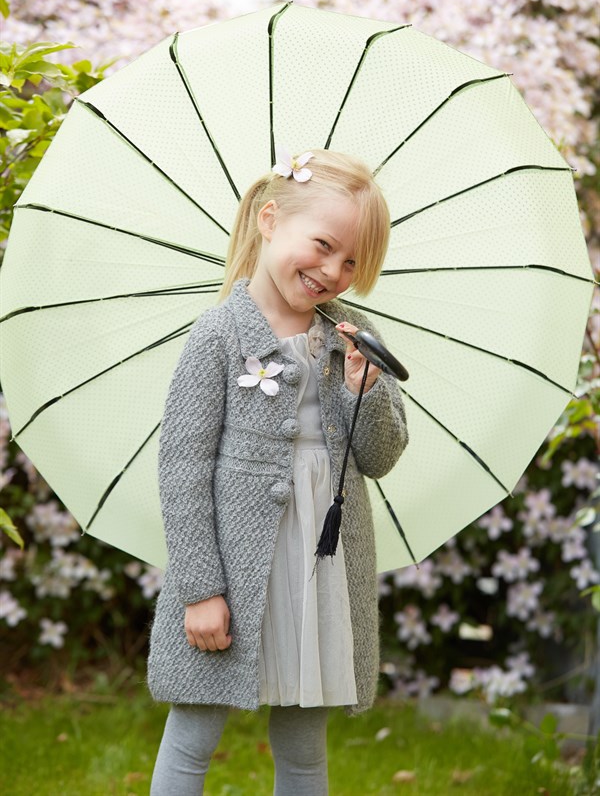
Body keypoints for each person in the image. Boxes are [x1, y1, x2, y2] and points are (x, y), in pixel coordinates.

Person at [148, 147, 409, 795]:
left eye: (352, 262)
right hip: (235, 574)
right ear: (270, 220)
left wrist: (362, 391)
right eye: (323, 245)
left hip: (318, 570)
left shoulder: (352, 335)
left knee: (303, 743)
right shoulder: (217, 336)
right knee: (193, 732)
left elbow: (379, 456)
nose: (332, 271)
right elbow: (182, 470)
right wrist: (201, 589)